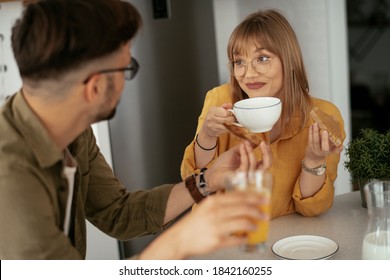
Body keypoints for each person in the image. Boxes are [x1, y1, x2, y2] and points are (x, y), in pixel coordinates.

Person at [0, 0, 272, 260]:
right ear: (94, 88)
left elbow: (116, 213)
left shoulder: (74, 132)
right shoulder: (11, 176)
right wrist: (178, 242)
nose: (125, 81)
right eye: (126, 68)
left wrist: (207, 179)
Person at [181, 9, 346, 218]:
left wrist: (314, 160)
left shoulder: (324, 116)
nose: (248, 74)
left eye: (262, 58)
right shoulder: (219, 100)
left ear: (290, 60)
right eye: (239, 62)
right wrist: (207, 136)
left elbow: (311, 209)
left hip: (287, 240)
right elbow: (195, 189)